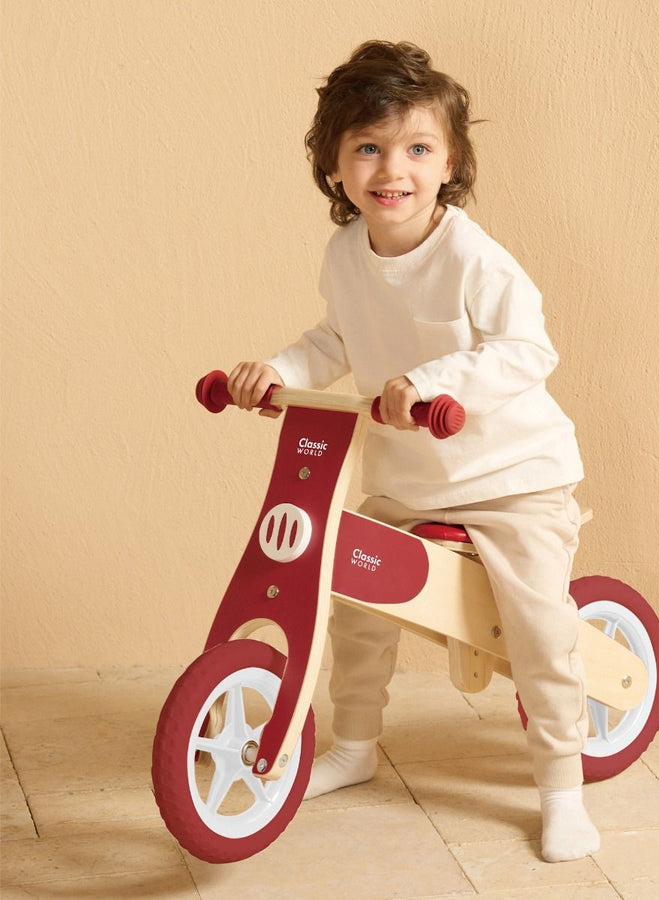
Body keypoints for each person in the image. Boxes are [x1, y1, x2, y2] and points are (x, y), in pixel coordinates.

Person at [227, 40, 599, 863]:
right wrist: (276, 373)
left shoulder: (473, 259)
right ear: (334, 166)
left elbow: (528, 350)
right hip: (412, 484)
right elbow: (334, 337)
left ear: (449, 162)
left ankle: (561, 784)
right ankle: (355, 747)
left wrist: (436, 380)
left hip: (511, 479)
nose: (391, 169)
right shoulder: (345, 254)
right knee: (351, 596)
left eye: (417, 148)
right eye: (367, 147)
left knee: (538, 625)